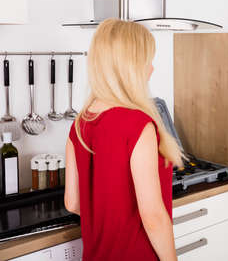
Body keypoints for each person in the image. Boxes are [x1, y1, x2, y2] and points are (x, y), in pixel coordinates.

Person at [64, 18, 183, 261]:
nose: (151, 69)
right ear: (130, 66)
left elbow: (72, 203)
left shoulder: (79, 125)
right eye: (147, 61)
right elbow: (152, 216)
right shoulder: (138, 125)